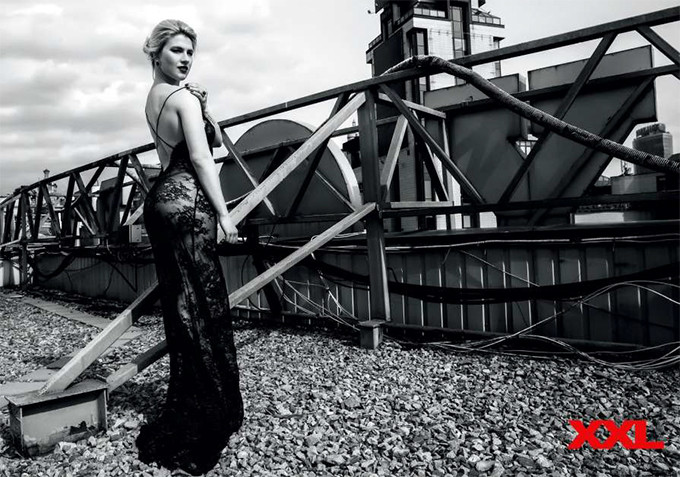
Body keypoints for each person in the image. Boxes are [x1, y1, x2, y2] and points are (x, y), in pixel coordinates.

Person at [137, 19, 243, 475]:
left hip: (160, 201)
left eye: (190, 53)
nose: (185, 59)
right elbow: (203, 156)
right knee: (205, 303)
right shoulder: (182, 98)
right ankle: (210, 409)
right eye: (176, 50)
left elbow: (200, 139)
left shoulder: (155, 98)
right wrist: (225, 214)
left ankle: (191, 396)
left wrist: (205, 107)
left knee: (182, 305)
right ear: (156, 52)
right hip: (188, 204)